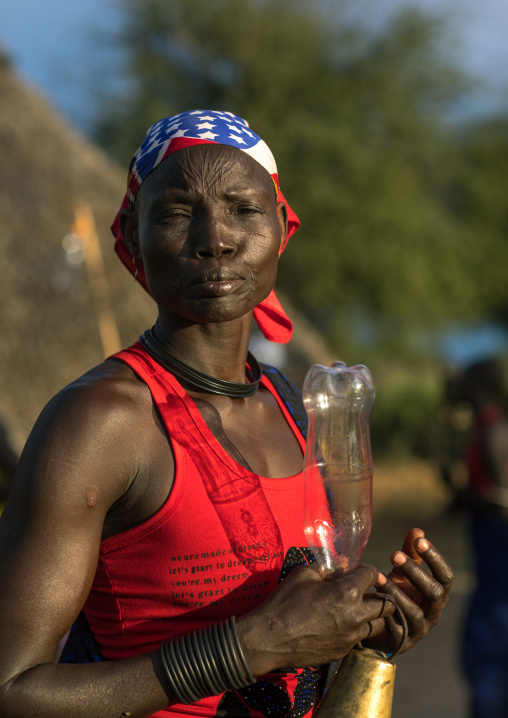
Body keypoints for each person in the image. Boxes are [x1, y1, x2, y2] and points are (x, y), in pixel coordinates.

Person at [0, 110, 453, 718]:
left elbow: (298, 656)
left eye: (243, 209)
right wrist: (249, 647)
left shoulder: (294, 407)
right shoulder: (101, 423)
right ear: (133, 237)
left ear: (282, 230)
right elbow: (13, 691)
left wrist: (369, 631)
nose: (216, 237)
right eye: (177, 213)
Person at [449, 359, 508, 718]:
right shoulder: (485, 429)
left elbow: (502, 501)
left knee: (490, 656)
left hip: (500, 563)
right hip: (491, 564)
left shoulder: (494, 431)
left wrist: (465, 495)